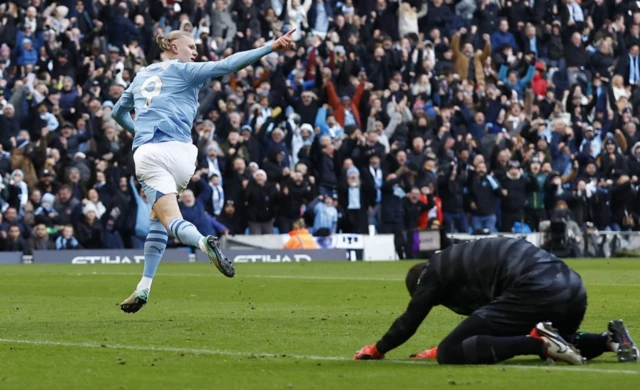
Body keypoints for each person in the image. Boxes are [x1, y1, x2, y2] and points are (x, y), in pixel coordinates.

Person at [112, 29, 296, 313]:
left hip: (151, 153)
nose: (196, 52)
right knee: (157, 218)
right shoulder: (186, 71)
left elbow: (117, 114)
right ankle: (144, 286)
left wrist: (141, 134)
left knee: (170, 218)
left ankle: (202, 241)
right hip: (185, 156)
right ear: (174, 47)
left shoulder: (140, 77)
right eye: (192, 47)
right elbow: (228, 65)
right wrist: (270, 47)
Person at [354, 237, 638, 365]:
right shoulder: (462, 260)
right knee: (566, 340)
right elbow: (490, 325)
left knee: (450, 353)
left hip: (534, 287)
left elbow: (410, 320)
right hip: (572, 287)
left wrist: (378, 348)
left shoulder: (432, 272)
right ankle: (610, 341)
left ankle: (539, 343)